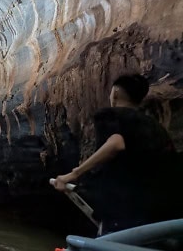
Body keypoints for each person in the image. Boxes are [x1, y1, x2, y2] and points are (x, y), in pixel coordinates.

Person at [53, 74, 179, 234]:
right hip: (157, 216)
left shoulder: (112, 115)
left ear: (115, 93)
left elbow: (116, 143)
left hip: (122, 212)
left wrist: (73, 174)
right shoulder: (157, 128)